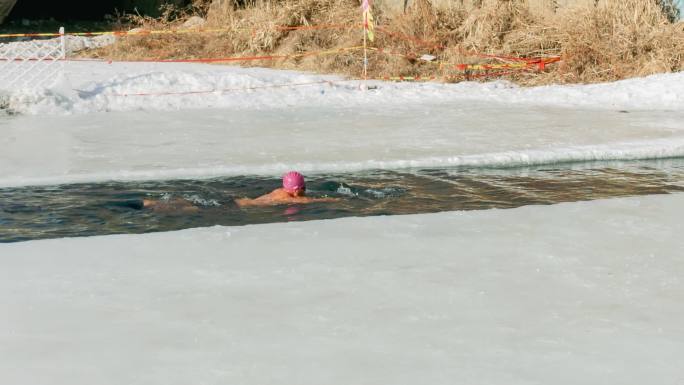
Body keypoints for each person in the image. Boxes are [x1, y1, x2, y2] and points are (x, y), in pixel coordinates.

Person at [235, 171, 338, 207]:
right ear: (296, 190)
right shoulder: (287, 198)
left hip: (243, 201)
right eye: (303, 188)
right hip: (246, 206)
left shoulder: (279, 191)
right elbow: (307, 201)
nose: (305, 190)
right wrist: (330, 200)